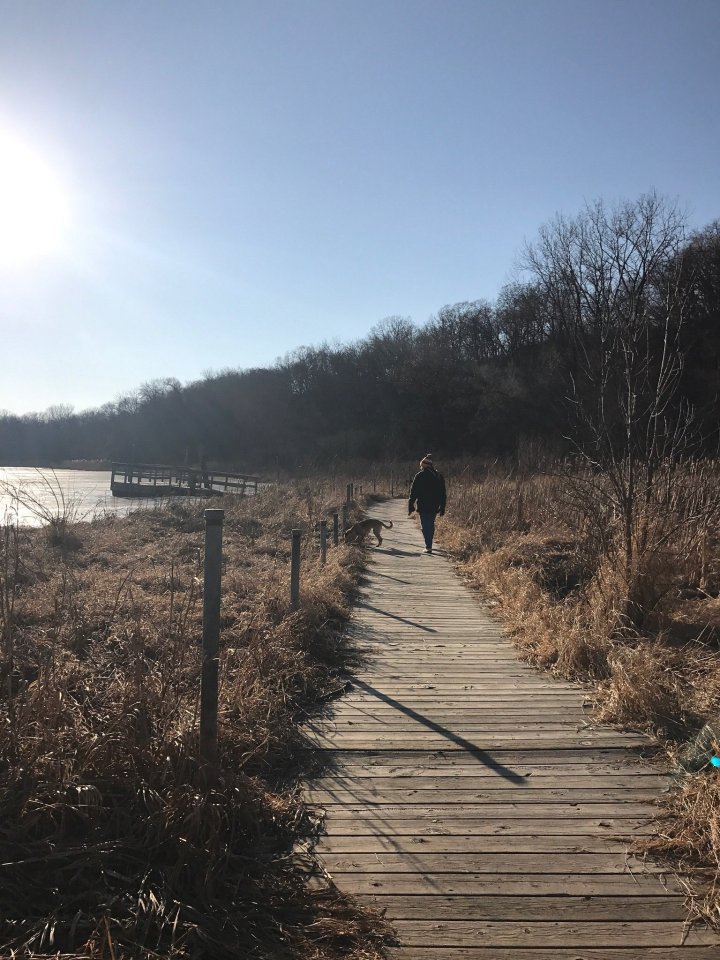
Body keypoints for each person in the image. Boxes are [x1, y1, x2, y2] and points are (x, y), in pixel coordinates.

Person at [408, 454, 446, 554]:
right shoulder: (438, 476)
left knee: (424, 525)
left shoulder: (420, 475)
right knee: (430, 524)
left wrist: (411, 503)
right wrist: (442, 506)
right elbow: (443, 493)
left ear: (424, 465)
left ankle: (428, 546)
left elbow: (413, 491)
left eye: (421, 465)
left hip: (423, 504)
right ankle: (429, 544)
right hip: (435, 504)